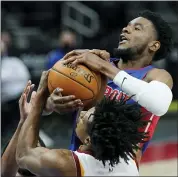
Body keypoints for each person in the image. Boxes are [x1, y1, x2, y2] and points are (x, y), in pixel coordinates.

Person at [43, 10, 173, 164]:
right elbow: (40, 109)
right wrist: (50, 105)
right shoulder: (94, 68)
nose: (125, 29)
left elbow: (159, 104)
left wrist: (104, 67)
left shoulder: (156, 76)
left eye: (137, 28)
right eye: (127, 26)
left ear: (154, 45)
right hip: (78, 164)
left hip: (120, 169)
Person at [16, 71, 148, 176]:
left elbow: (23, 155)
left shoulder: (68, 164)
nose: (82, 113)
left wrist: (40, 97)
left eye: (84, 118)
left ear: (88, 139)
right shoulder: (131, 155)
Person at [1, 81, 46, 177]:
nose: (25, 149)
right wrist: (24, 120)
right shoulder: (8, 171)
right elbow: (5, 173)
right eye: (21, 146)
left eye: (33, 146)